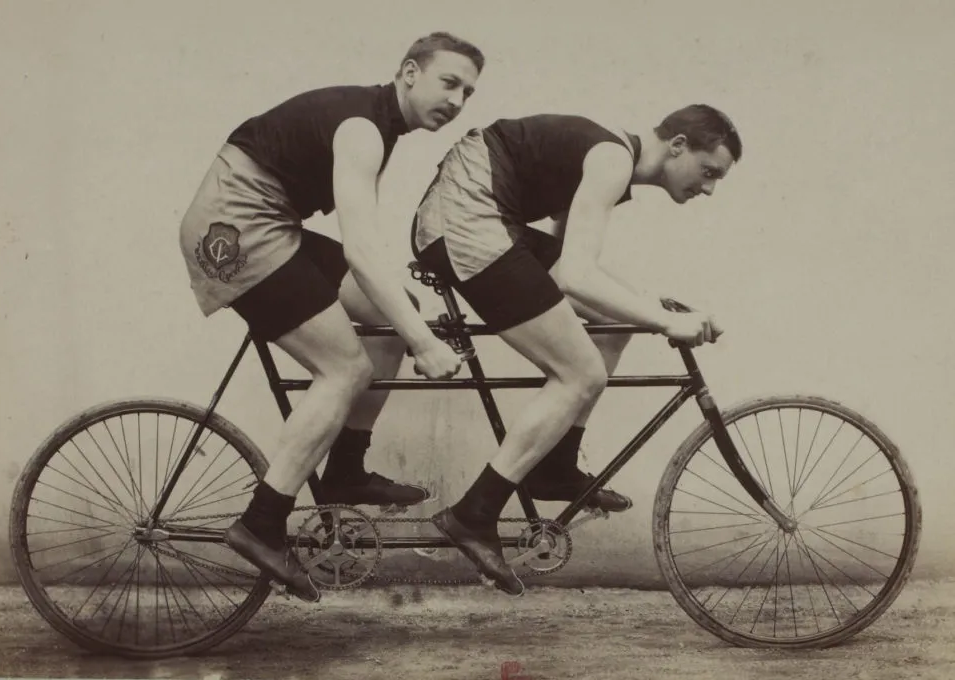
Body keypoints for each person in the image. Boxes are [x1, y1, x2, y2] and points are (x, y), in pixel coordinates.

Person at [178, 32, 485, 602]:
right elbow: (361, 252)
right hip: (236, 232)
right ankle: (262, 524)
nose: (458, 100)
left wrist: (409, 328)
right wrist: (424, 344)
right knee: (344, 369)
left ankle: (345, 468)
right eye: (449, 82)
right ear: (409, 72)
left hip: (268, 225)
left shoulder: (378, 123)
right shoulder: (364, 129)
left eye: (469, 92)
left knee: (395, 313)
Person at [411, 105, 741, 595]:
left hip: (482, 221)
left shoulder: (609, 160)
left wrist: (648, 308)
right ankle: (472, 513)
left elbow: (573, 272)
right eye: (708, 172)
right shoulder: (611, 159)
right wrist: (668, 320)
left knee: (614, 324)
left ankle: (555, 468)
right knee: (581, 374)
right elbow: (575, 276)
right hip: (463, 223)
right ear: (677, 147)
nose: (709, 189)